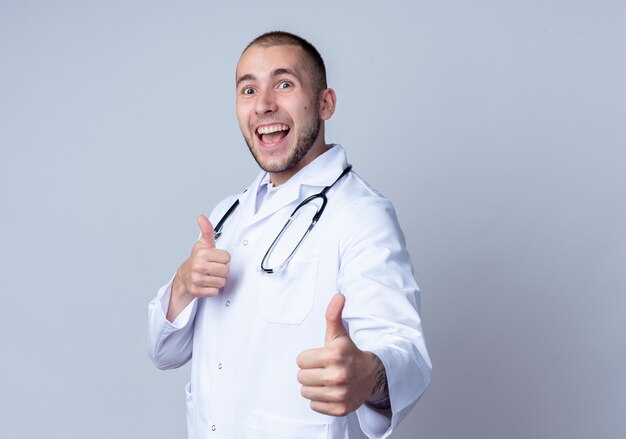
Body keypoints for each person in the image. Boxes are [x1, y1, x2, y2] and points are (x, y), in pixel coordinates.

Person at [147, 30, 431, 439]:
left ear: (324, 102)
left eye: (284, 84)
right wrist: (182, 284)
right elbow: (162, 352)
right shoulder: (227, 215)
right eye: (248, 89)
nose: (263, 104)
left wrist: (369, 377)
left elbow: (406, 352)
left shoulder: (360, 214)